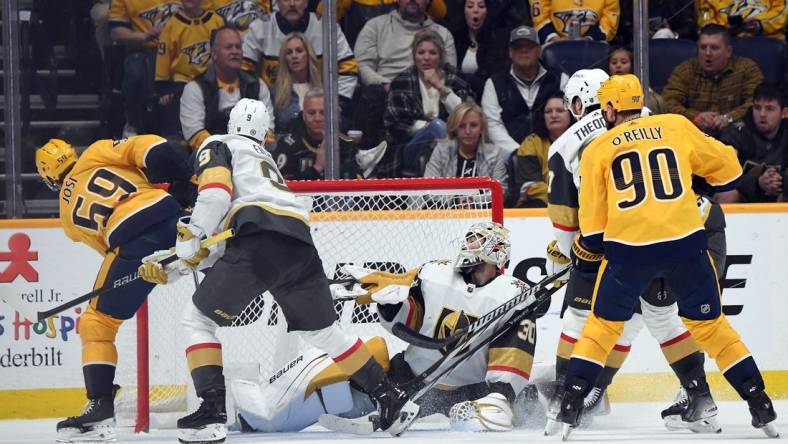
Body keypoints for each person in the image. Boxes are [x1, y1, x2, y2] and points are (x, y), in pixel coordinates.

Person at [138, 99, 418, 443]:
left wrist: (189, 240)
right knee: (324, 334)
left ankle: (211, 412)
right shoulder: (264, 161)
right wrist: (177, 262)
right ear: (266, 134)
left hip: (259, 240)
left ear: (229, 124)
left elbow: (214, 198)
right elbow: (222, 244)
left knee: (197, 321)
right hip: (299, 241)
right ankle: (391, 397)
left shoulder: (217, 144)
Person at [555, 74, 778, 439]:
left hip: (631, 252)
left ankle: (568, 406)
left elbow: (592, 231)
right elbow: (731, 171)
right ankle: (757, 403)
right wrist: (699, 182)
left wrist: (585, 253)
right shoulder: (674, 126)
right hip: (687, 242)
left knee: (602, 325)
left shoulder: (598, 147)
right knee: (707, 326)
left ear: (609, 108)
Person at [544, 69, 716, 435]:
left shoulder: (565, 145)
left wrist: (568, 252)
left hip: (617, 244)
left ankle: (566, 399)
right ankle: (699, 397)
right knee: (659, 317)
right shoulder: (659, 123)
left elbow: (565, 224)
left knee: (581, 316)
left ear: (577, 103)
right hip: (679, 231)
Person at [34, 135, 194, 442]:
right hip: (170, 214)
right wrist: (185, 175)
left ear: (50, 179)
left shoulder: (67, 219)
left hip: (131, 242)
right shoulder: (95, 151)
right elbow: (151, 147)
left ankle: (100, 405)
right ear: (72, 152)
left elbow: (110, 250)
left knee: (97, 323)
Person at [359, 222, 541, 431]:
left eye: (475, 240)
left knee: (518, 404)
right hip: (411, 380)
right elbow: (413, 322)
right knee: (368, 359)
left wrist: (501, 392)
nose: (467, 244)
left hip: (470, 391)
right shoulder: (436, 273)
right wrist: (390, 306)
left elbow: (512, 351)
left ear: (495, 249)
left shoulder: (512, 295)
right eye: (468, 239)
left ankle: (510, 399)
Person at [353, 0, 457, 149]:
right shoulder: (375, 26)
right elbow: (362, 65)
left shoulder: (443, 33)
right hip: (385, 95)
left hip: (430, 96)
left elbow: (450, 73)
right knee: (372, 95)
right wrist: (388, 85)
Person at [240, 0, 358, 112]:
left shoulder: (326, 27)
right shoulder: (259, 27)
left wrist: (337, 103)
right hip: (273, 106)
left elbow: (349, 68)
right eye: (286, 0)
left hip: (318, 108)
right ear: (277, 2)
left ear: (306, 2)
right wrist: (259, 104)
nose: (292, 4)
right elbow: (244, 71)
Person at [384, 30, 472, 176]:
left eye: (432, 53)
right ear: (414, 55)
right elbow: (394, 123)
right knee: (436, 126)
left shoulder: (454, 79)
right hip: (411, 146)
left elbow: (465, 117)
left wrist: (441, 87)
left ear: (440, 56)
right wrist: (429, 128)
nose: (426, 58)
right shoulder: (402, 82)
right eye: (421, 52)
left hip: (454, 141)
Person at [181, 25, 275, 150]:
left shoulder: (257, 85)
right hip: (211, 154)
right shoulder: (194, 88)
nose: (235, 51)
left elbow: (268, 128)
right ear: (214, 54)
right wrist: (226, 151)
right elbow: (195, 134)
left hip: (252, 151)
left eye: (238, 47)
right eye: (228, 47)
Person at [662, 24, 763, 136]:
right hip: (695, 135)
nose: (708, 53)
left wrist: (729, 118)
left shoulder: (747, 69)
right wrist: (695, 117)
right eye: (703, 47)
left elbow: (756, 103)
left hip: (736, 134)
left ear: (728, 51)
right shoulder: (685, 70)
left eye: (714, 48)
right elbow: (667, 102)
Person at [481, 25, 568, 156]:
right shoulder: (494, 83)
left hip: (556, 153)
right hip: (509, 157)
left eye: (529, 46)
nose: (524, 50)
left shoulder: (560, 79)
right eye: (518, 47)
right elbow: (492, 125)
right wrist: (519, 152)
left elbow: (570, 116)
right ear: (510, 52)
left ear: (539, 50)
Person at [109, 0, 181, 137]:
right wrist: (145, 36)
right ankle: (134, 123)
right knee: (135, 69)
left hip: (182, 47)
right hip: (146, 48)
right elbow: (116, 32)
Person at [155, 0, 225, 136]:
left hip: (212, 81)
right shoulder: (172, 25)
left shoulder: (217, 21)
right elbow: (163, 56)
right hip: (182, 82)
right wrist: (163, 88)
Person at [717, 82, 788, 203]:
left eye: (769, 109)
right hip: (744, 196)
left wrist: (780, 180)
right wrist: (757, 182)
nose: (762, 114)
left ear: (784, 112)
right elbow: (723, 176)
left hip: (779, 194)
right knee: (726, 194)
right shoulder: (735, 133)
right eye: (757, 107)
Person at [273, 88, 360, 180]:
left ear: (333, 115)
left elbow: (357, 186)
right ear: (303, 115)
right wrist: (317, 168)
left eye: (323, 113)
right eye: (311, 113)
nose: (317, 118)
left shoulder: (347, 145)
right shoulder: (287, 145)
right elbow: (281, 187)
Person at [423, 101, 508, 195]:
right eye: (462, 126)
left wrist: (473, 201)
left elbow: (501, 192)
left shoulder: (494, 154)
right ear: (455, 128)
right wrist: (457, 201)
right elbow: (428, 190)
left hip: (483, 209)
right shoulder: (442, 150)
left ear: (482, 128)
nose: (468, 131)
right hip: (446, 209)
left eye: (473, 125)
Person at [512, 91, 573, 207]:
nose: (554, 115)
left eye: (560, 110)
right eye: (548, 111)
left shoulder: (582, 141)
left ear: (571, 113)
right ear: (543, 116)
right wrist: (565, 195)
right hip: (541, 205)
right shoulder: (531, 143)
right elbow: (530, 186)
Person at [452, 0, 510, 101]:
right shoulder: (456, 40)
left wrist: (460, 79)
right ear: (463, 11)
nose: (475, 10)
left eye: (481, 6)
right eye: (470, 6)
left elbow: (492, 82)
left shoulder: (499, 39)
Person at [270, 33, 323, 136]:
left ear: (308, 55)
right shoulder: (275, 92)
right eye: (289, 52)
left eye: (299, 51)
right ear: (285, 59)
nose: (294, 56)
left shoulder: (322, 90)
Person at [607, 47, 666, 115]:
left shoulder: (642, 87)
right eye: (614, 63)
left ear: (632, 66)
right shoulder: (603, 87)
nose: (618, 65)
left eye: (624, 62)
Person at [531, 0, 620, 45]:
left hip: (593, 47)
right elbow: (540, 19)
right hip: (553, 46)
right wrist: (553, 38)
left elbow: (610, 22)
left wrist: (589, 38)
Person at [696, 0, 787, 41]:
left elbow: (784, 10)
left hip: (768, 39)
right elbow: (705, 23)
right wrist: (725, 30)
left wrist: (759, 24)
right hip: (729, 43)